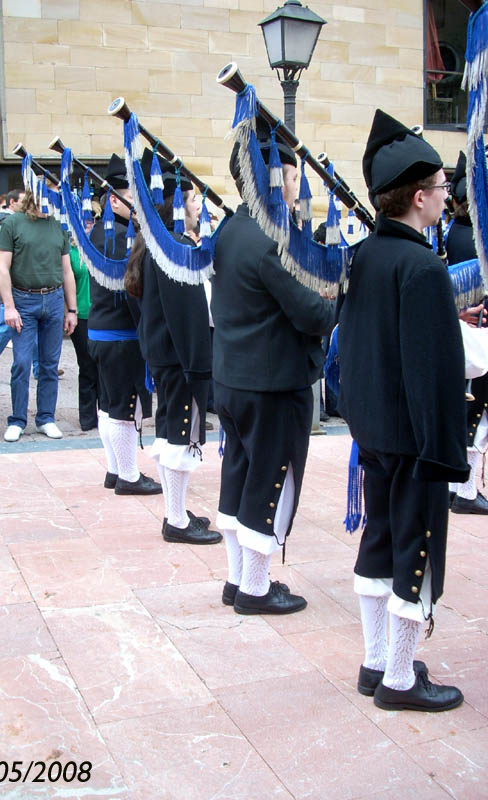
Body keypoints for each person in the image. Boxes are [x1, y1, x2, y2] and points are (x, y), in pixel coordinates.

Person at [338, 109, 468, 712]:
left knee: (379, 545)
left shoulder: (366, 255)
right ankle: (397, 680)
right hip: (415, 443)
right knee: (414, 555)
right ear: (418, 198)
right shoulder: (421, 266)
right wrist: (445, 452)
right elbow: (430, 372)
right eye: (442, 189)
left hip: (375, 433)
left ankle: (374, 663)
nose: (447, 198)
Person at [211, 137, 334, 612]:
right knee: (268, 480)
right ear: (272, 180)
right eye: (290, 174)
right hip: (271, 385)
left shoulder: (230, 229)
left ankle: (236, 579)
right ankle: (256, 590)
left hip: (233, 380)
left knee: (238, 474)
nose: (295, 182)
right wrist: (339, 294)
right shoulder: (270, 242)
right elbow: (313, 317)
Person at [126, 152, 220, 544]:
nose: (199, 206)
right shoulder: (175, 245)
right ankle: (176, 520)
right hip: (181, 361)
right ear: (178, 205)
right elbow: (189, 317)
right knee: (180, 436)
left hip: (164, 356)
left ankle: (175, 513)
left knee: (169, 433)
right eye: (194, 200)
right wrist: (200, 368)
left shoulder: (155, 242)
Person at [88, 154, 160, 495]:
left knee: (109, 405)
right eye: (131, 195)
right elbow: (133, 292)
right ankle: (129, 476)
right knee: (124, 408)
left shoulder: (103, 232)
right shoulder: (120, 235)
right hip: (120, 335)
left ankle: (115, 470)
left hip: (102, 331)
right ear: (114, 199)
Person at [0, 189, 77, 442]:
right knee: (21, 363)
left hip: (53, 299)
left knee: (49, 365)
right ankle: (18, 419)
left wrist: (71, 309)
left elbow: (67, 271)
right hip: (23, 299)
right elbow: (2, 267)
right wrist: (9, 306)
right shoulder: (13, 223)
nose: (51, 204)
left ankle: (46, 417)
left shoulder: (58, 226)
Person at [445, 151, 488, 515]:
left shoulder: (452, 232)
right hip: (475, 332)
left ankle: (456, 485)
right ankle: (467, 490)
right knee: (477, 416)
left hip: (461, 331)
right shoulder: (471, 236)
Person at [69, 240, 98, 431]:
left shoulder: (100, 246)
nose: (88, 222)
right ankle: (87, 417)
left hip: (103, 314)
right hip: (81, 314)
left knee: (104, 365)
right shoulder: (70, 251)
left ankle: (106, 411)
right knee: (87, 365)